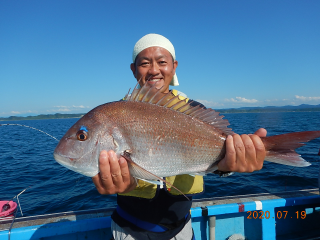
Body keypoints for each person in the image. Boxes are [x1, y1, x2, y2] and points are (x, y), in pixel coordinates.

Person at [92, 34, 267, 240]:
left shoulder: (193, 110)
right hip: (128, 229)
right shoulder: (115, 115)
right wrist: (110, 181)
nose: (154, 70)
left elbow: (217, 158)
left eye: (162, 62)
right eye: (145, 63)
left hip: (181, 229)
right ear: (133, 69)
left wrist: (230, 166)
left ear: (174, 66)